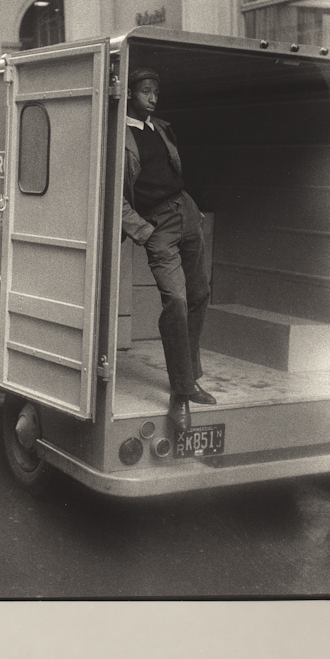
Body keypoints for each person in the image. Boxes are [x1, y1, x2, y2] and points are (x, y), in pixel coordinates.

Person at [122, 66, 217, 434]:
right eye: (146, 91)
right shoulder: (118, 136)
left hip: (185, 211)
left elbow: (172, 171)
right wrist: (143, 231)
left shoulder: (160, 128)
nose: (153, 98)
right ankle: (182, 392)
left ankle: (189, 375)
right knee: (176, 301)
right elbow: (112, 194)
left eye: (156, 92)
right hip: (157, 223)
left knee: (199, 293)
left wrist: (192, 210)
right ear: (129, 93)